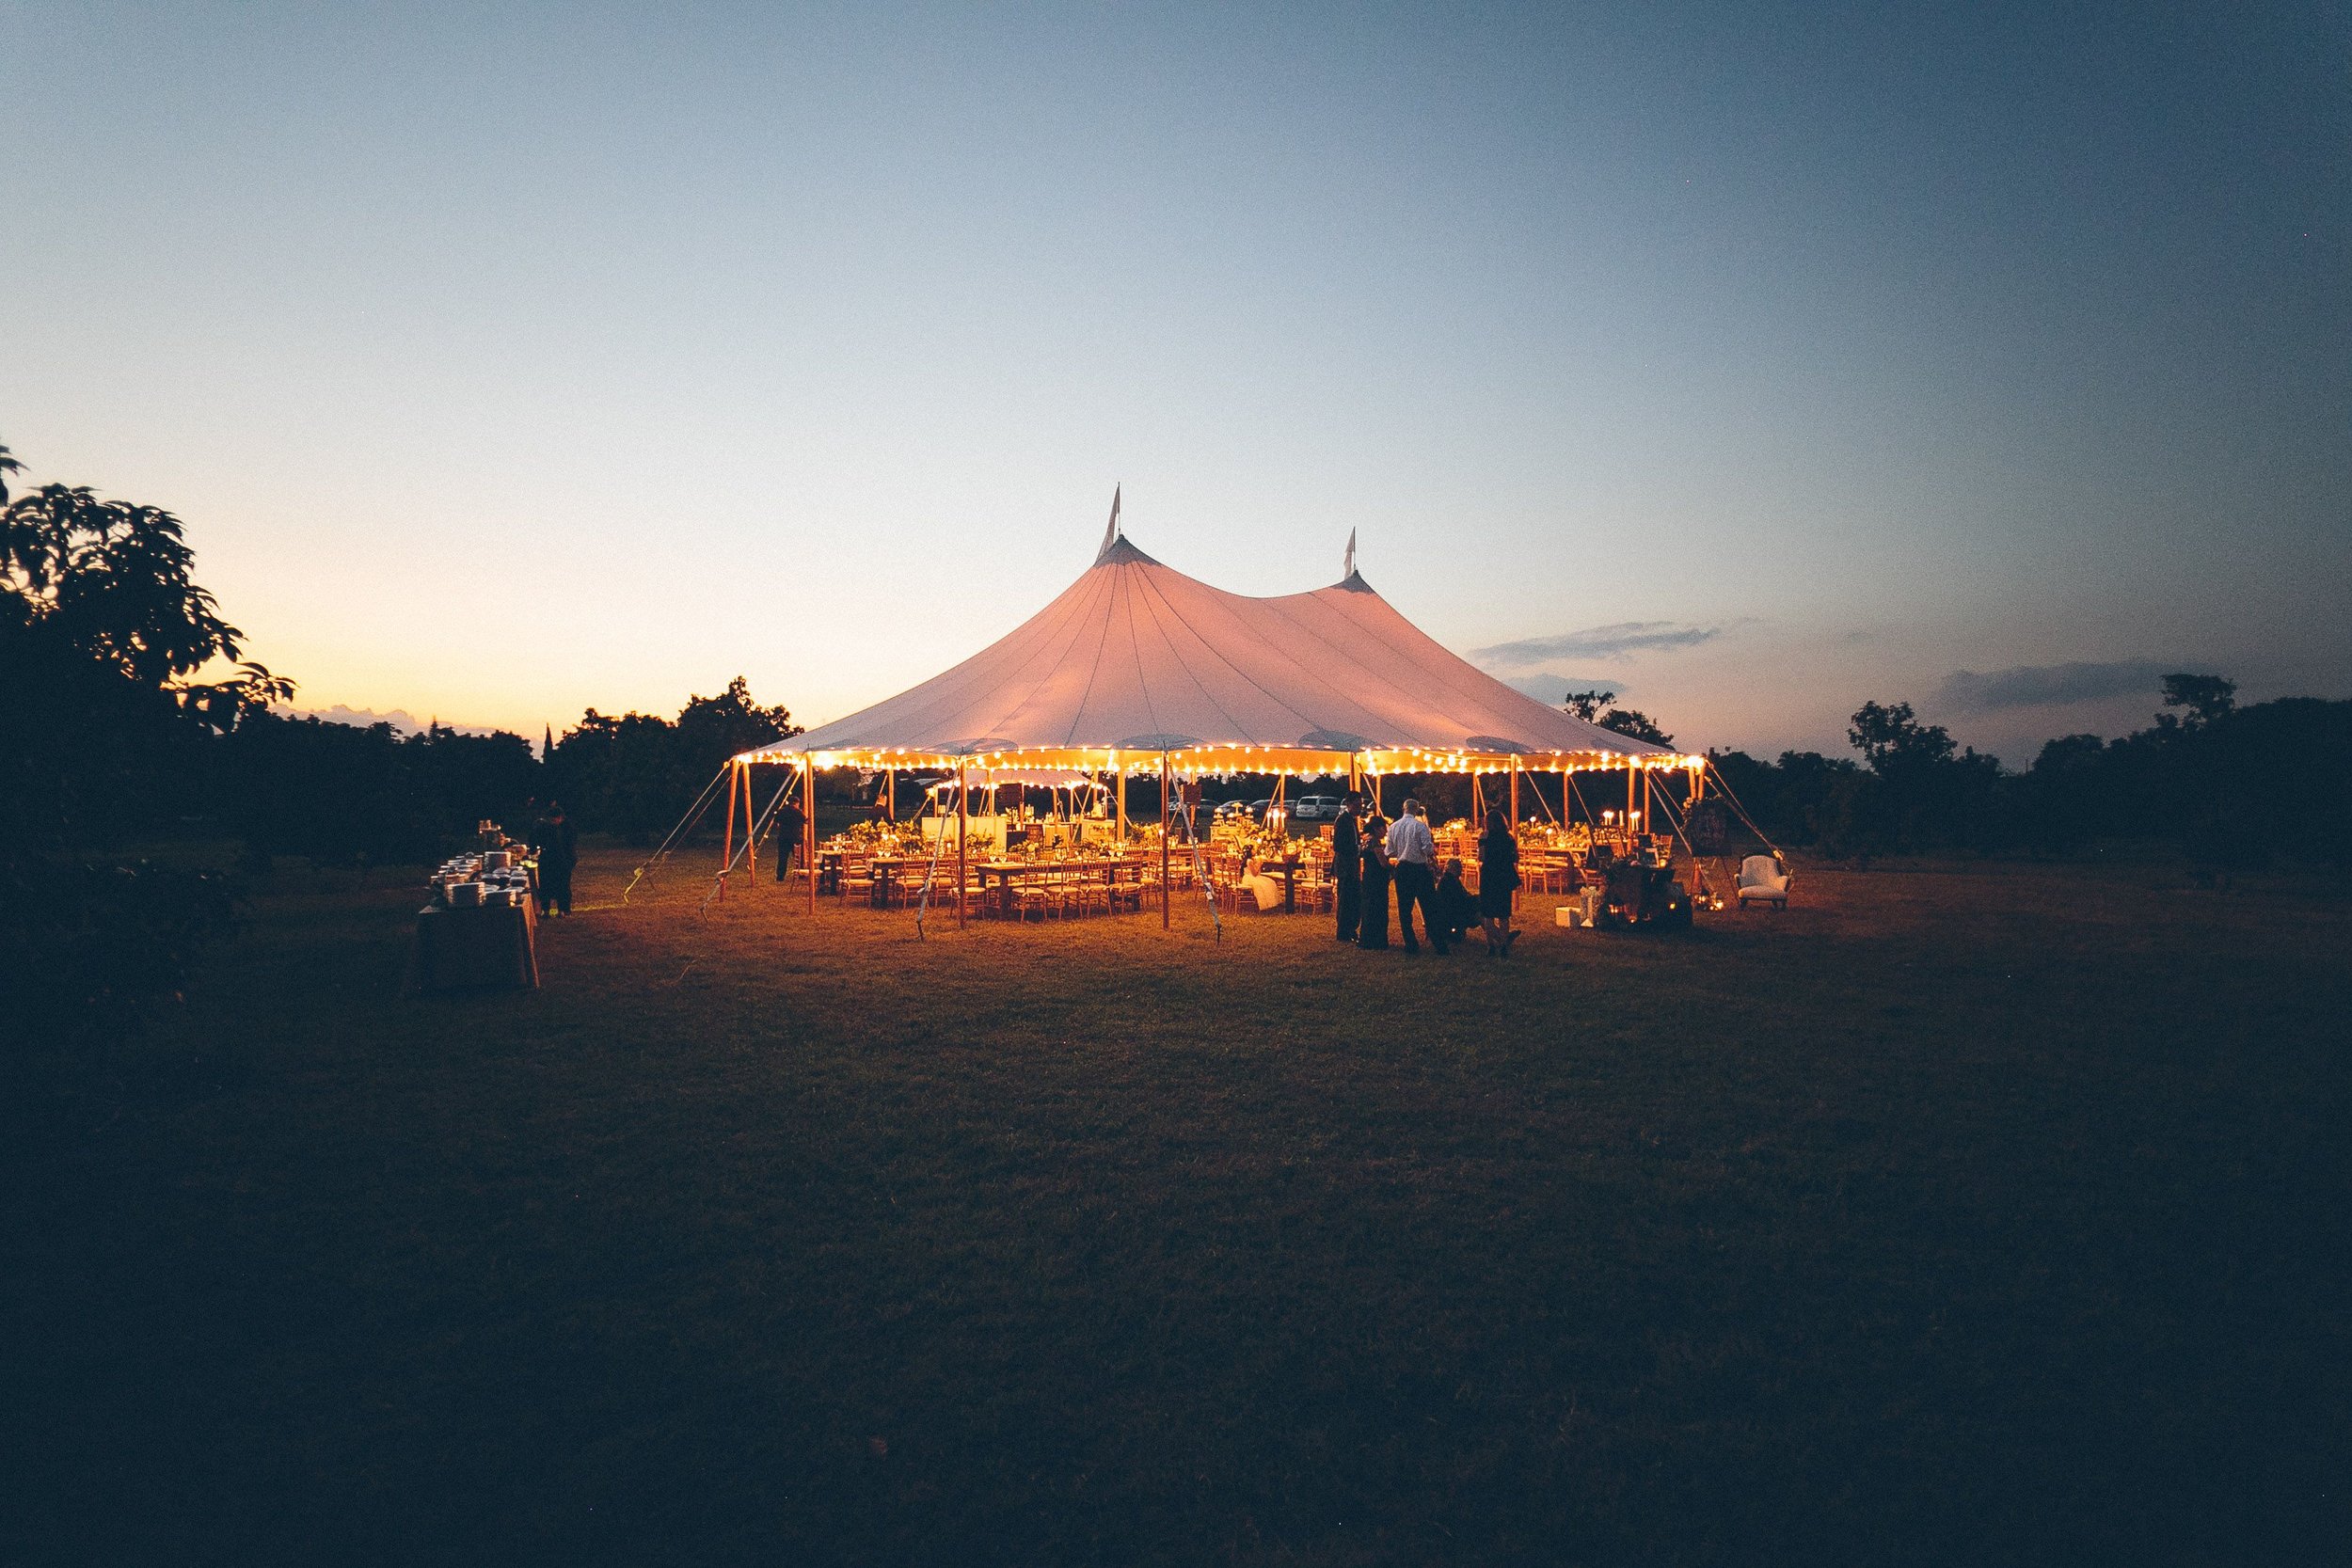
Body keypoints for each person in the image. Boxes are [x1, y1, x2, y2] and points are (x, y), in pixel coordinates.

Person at [1385, 798, 1446, 955]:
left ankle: (1410, 943)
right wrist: (1430, 849)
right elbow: (1427, 849)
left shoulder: (1393, 827)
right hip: (1419, 869)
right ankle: (1438, 943)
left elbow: (1389, 851)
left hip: (1403, 869)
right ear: (1416, 810)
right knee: (1429, 907)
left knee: (1405, 908)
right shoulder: (1421, 826)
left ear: (1403, 809)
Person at [1477, 813, 1520, 957]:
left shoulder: (1484, 836)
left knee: (1488, 913)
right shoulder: (1509, 837)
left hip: (1489, 875)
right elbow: (1516, 857)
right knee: (1503, 914)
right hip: (1504, 875)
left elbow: (1481, 857)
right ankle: (1503, 945)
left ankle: (1491, 945)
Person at [532, 801, 578, 916]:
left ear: (560, 818)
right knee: (546, 884)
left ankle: (563, 909)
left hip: (562, 859)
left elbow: (569, 845)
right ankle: (545, 909)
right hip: (549, 859)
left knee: (563, 885)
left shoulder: (566, 828)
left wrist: (569, 861)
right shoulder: (546, 827)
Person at [1356, 803, 1391, 949]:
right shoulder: (1374, 842)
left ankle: (1367, 938)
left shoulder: (1365, 839)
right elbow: (1382, 862)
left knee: (1368, 908)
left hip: (1368, 877)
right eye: (1384, 828)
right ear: (1377, 828)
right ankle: (1377, 940)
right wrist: (1393, 868)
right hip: (1377, 879)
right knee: (1378, 909)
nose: (1386, 831)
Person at [1331, 791, 1363, 942]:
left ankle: (1350, 928)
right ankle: (1343, 931)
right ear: (1348, 804)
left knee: (1353, 898)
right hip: (1345, 866)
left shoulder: (1351, 820)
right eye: (1357, 805)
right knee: (1345, 899)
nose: (1360, 808)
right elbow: (1337, 845)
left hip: (1352, 866)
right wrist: (1357, 849)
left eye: (1361, 805)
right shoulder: (1342, 820)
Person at [1435, 857, 1476, 947]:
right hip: (1453, 916)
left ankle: (1498, 936)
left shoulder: (1451, 880)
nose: (1461, 870)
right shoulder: (1449, 882)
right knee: (1481, 915)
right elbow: (1460, 900)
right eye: (1459, 868)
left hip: (1454, 912)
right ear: (1454, 869)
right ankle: (1499, 937)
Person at [773, 789, 808, 883]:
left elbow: (776, 822)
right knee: (798, 858)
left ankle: (780, 876)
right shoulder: (798, 812)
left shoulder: (781, 811)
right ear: (796, 803)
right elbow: (806, 821)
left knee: (782, 858)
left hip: (783, 837)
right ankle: (800, 874)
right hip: (795, 838)